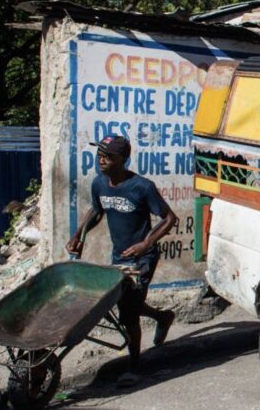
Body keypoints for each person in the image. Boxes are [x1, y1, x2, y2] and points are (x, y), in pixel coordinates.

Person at [66, 135, 178, 387]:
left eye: (108, 156)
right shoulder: (99, 183)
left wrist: (146, 244)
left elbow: (170, 218)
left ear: (123, 159)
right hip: (119, 255)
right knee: (126, 305)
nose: (101, 160)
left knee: (128, 312)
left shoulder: (142, 187)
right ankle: (162, 317)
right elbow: (96, 211)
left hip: (142, 258)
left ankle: (134, 367)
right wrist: (79, 236)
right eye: (99, 155)